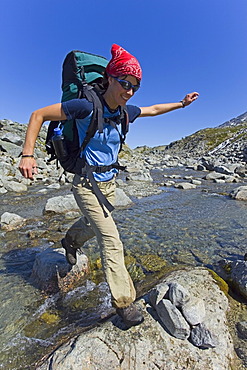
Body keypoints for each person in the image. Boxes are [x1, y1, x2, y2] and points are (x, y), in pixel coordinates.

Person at [19, 44, 199, 327]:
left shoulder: (125, 112)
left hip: (110, 183)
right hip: (87, 184)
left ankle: (70, 241)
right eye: (125, 83)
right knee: (111, 240)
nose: (129, 91)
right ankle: (124, 304)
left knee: (93, 225)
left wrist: (182, 103)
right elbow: (37, 115)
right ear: (111, 78)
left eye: (134, 87)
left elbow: (152, 109)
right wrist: (27, 155)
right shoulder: (86, 106)